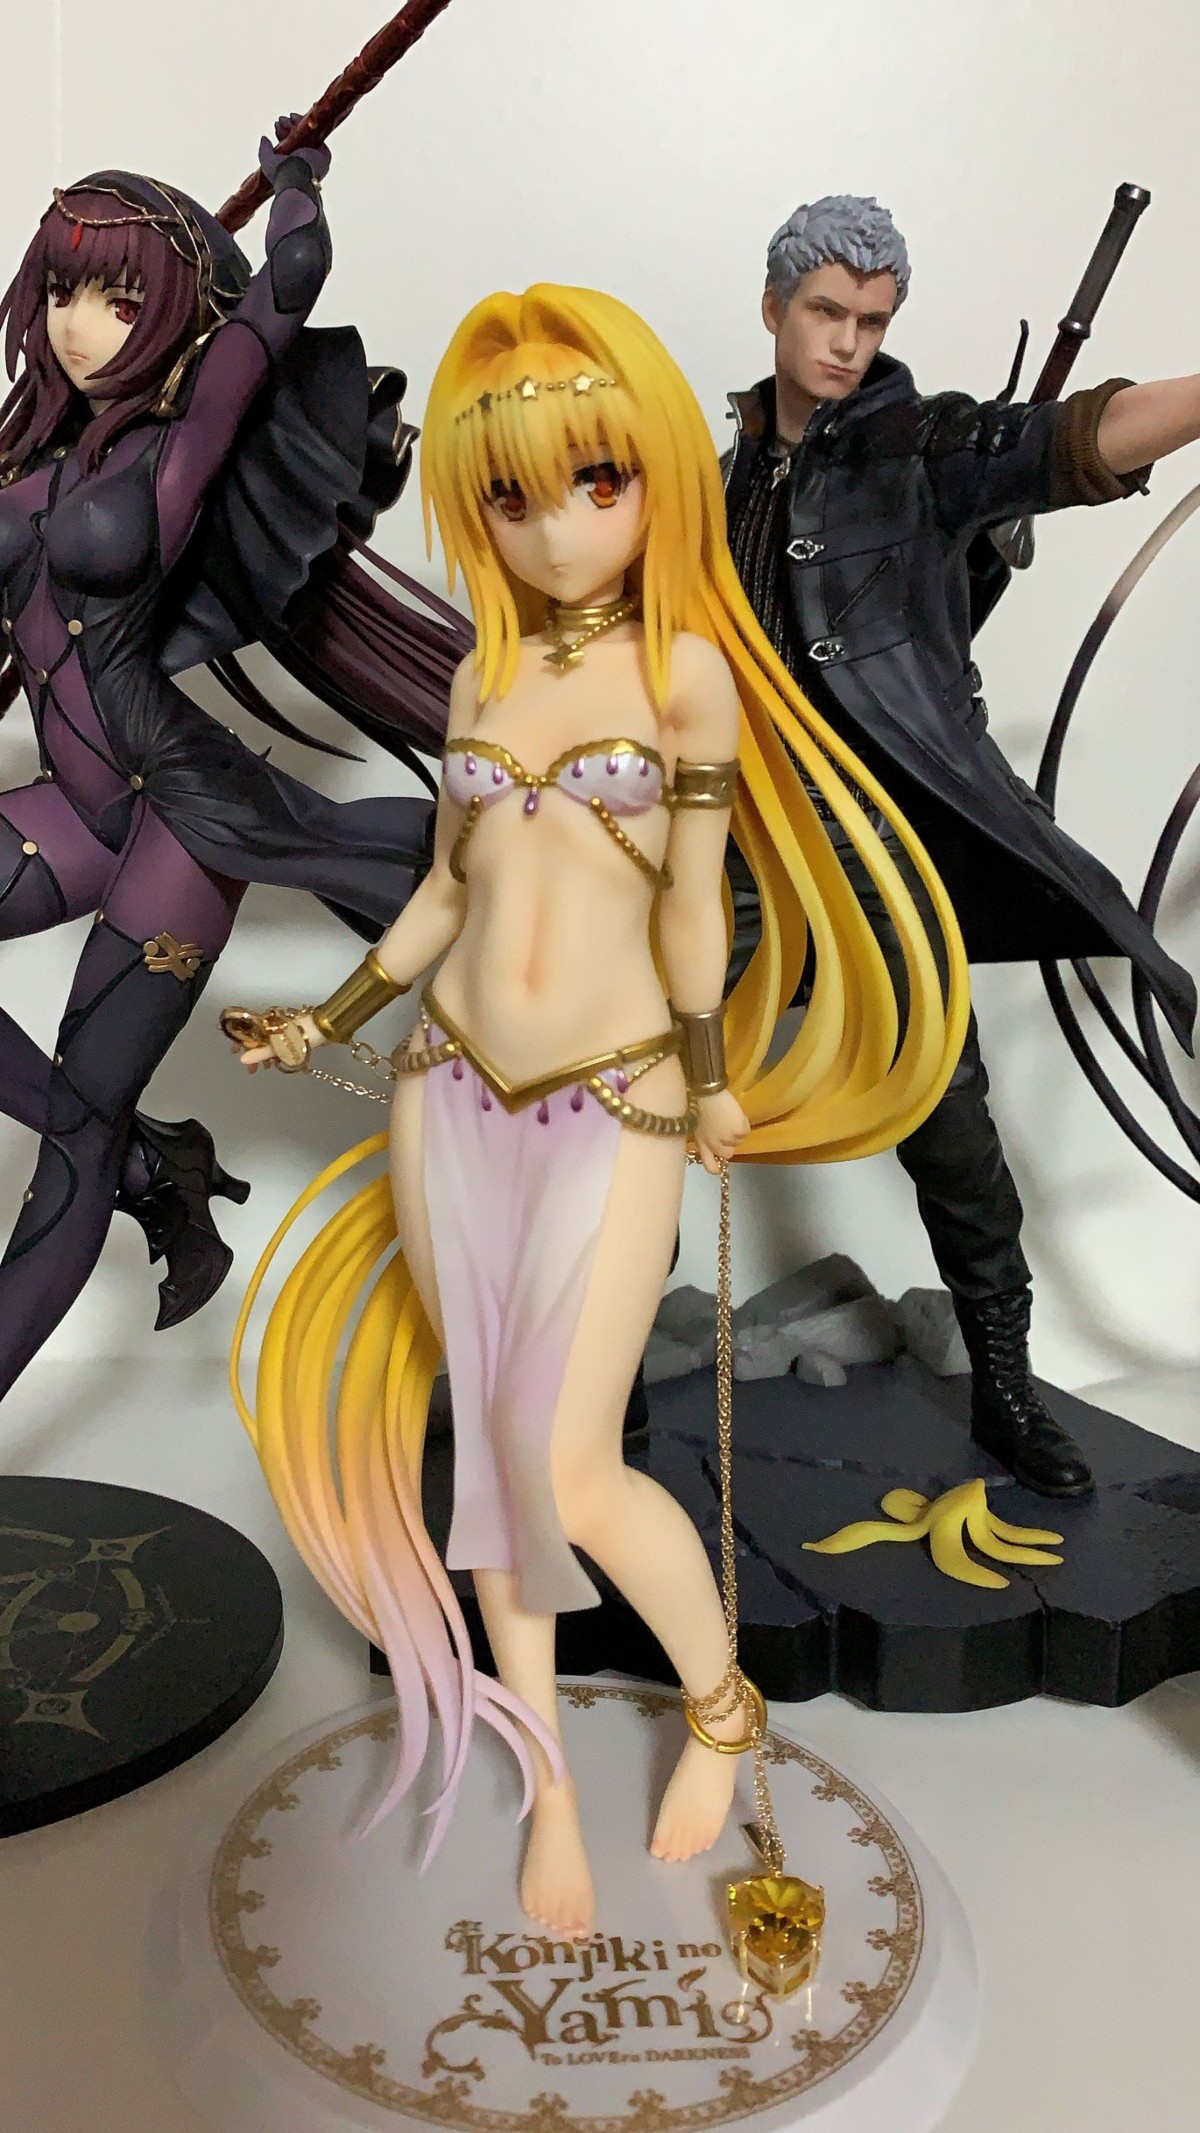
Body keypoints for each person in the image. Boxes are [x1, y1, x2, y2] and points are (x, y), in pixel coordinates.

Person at [227, 282, 968, 1939]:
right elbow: (445, 894)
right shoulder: (481, 676)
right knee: (498, 1460)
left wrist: (709, 1077)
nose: (556, 527)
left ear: (653, 477)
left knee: (567, 1466)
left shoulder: (688, 672)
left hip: (619, 1098)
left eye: (596, 480)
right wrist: (323, 1020)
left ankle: (721, 1701)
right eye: (511, 496)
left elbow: (696, 897)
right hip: (449, 1090)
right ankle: (548, 1777)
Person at [721, 193, 1198, 1497]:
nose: (845, 341)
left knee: (949, 1124)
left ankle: (1005, 1383)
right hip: (735, 849)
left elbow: (1068, 440)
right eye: (825, 312)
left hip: (877, 844)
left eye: (871, 320)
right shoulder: (717, 476)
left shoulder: (920, 447)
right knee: (634, 1087)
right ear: (774, 309)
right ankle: (598, 1376)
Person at [0, 123, 463, 1401]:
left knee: (65, 1162)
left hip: (180, 820)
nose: (80, 326)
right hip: (71, 805)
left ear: (168, 315)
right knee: (91, 1130)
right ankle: (155, 1166)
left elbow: (290, 281)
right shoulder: (27, 454)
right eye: (62, 290)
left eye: (118, 298)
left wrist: (299, 176)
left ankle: (116, 1164)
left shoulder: (187, 436)